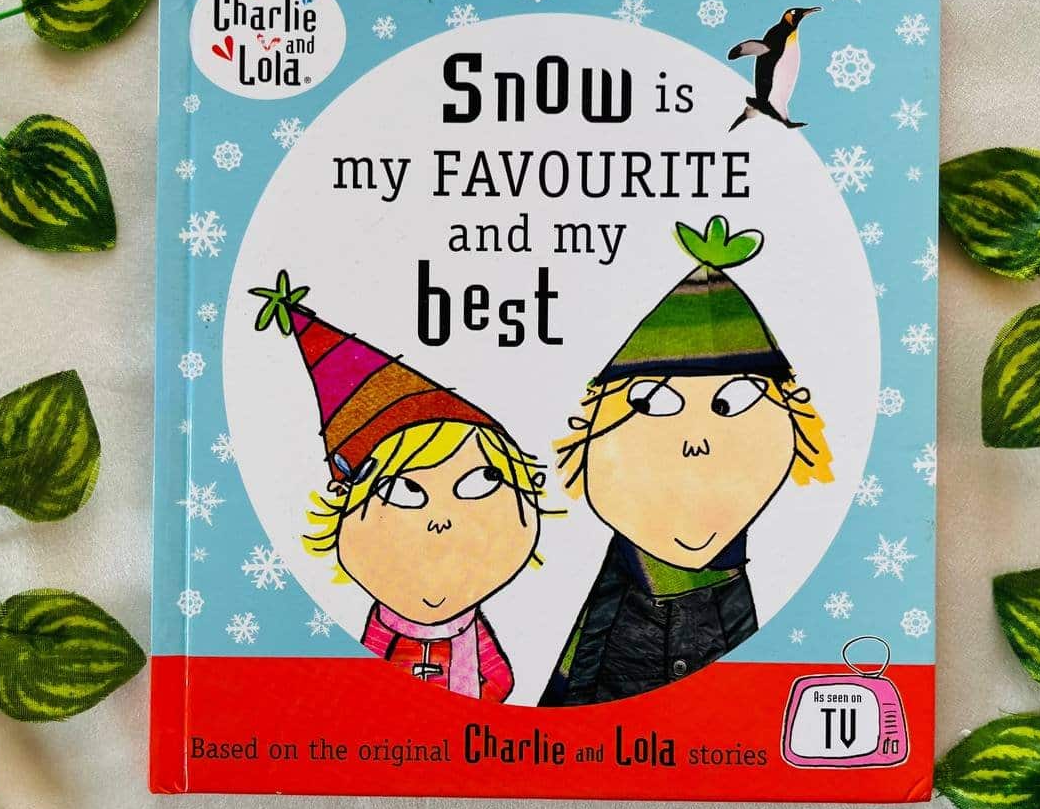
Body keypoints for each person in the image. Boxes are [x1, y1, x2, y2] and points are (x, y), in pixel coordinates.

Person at [539, 217, 833, 706]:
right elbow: (583, 660)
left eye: (731, 402)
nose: (696, 442)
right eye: (652, 402)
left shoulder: (730, 574)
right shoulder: (627, 571)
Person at [251, 270, 550, 701]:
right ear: (345, 508)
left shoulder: (472, 629)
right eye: (402, 491)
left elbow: (499, 677)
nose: (441, 520)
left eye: (482, 482)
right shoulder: (382, 631)